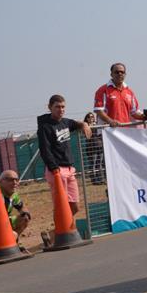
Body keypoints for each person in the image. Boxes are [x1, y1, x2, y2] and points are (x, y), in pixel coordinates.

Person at [37, 94, 91, 222]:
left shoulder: (65, 122)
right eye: (57, 107)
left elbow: (76, 123)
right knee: (61, 206)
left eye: (63, 107)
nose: (61, 110)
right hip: (56, 170)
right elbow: (45, 150)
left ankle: (61, 229)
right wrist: (54, 169)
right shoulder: (45, 127)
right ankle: (60, 230)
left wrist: (84, 124)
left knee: (75, 206)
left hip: (69, 169)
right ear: (50, 107)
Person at [93, 62, 146, 127]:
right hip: (108, 130)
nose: (120, 74)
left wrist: (143, 117)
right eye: (117, 72)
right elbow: (99, 110)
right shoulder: (103, 90)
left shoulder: (129, 92)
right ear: (111, 74)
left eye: (122, 72)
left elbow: (134, 112)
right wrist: (110, 121)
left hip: (125, 130)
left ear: (125, 74)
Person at [83, 112, 104, 184]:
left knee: (99, 163)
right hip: (91, 148)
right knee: (93, 164)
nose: (91, 118)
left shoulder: (97, 125)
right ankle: (94, 180)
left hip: (99, 147)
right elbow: (87, 136)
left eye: (92, 116)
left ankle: (100, 179)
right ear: (87, 119)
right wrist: (89, 126)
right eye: (90, 117)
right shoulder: (86, 126)